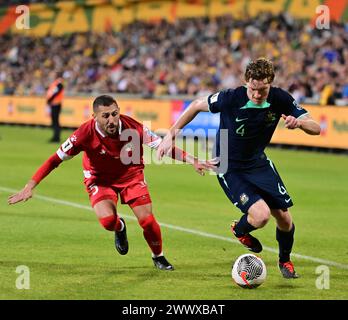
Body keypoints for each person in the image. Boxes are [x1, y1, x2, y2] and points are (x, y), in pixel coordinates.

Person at [8, 95, 214, 271]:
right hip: (99, 179)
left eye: (114, 113)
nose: (112, 119)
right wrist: (30, 185)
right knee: (108, 221)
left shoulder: (133, 127)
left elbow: (163, 146)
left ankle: (158, 256)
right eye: (105, 116)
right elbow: (54, 160)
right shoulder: (83, 134)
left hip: (131, 176)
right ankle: (119, 227)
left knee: (147, 220)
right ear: (94, 117)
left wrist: (192, 160)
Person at [157, 58, 321, 278]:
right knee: (261, 217)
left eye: (262, 90)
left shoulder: (281, 98)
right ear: (246, 82)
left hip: (258, 163)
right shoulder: (231, 97)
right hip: (229, 165)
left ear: (270, 82)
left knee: (284, 218)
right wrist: (171, 134)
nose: (256, 94)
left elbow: (316, 127)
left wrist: (299, 123)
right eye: (252, 89)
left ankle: (285, 261)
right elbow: (196, 105)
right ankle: (240, 229)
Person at [46, 72, 64, 143]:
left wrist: (49, 100)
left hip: (56, 104)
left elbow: (55, 93)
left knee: (55, 121)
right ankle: (55, 136)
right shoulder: (57, 83)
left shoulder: (59, 83)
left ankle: (56, 137)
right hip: (55, 104)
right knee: (54, 121)